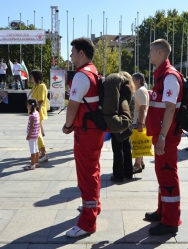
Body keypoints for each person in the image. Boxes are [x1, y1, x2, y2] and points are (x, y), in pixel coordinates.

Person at [62, 38, 105, 238]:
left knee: (86, 174)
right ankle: (94, 206)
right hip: (94, 130)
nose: (70, 56)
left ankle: (88, 222)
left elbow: (73, 106)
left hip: (86, 131)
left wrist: (67, 125)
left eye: (72, 53)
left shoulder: (81, 76)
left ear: (81, 53)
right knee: (93, 170)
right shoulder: (94, 71)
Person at [145, 39, 183, 235]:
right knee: (162, 174)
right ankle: (163, 211)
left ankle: (171, 221)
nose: (149, 55)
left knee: (168, 175)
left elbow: (169, 109)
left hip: (166, 136)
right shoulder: (161, 76)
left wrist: (161, 137)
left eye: (151, 51)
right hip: (162, 135)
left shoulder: (169, 77)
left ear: (160, 53)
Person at [110, 72, 135, 182]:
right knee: (126, 149)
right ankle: (128, 172)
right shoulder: (131, 94)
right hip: (128, 125)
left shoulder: (120, 95)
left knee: (118, 150)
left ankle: (118, 174)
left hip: (119, 124)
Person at [27, 70, 49, 162]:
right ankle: (41, 152)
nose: (31, 79)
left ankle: (43, 153)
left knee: (37, 133)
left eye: (32, 77)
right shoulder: (36, 86)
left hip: (37, 113)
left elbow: (40, 101)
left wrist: (37, 114)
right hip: (33, 113)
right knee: (38, 132)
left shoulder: (41, 86)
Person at [132, 73, 150, 173]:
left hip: (138, 120)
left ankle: (137, 164)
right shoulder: (141, 90)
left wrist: (140, 123)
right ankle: (141, 162)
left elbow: (142, 108)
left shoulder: (140, 91)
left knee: (137, 143)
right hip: (139, 120)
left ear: (138, 80)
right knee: (140, 142)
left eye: (133, 80)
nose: (132, 82)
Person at [24, 99, 40, 171]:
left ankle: (32, 164)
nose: (27, 106)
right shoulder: (37, 113)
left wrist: (28, 135)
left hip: (32, 135)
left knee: (32, 150)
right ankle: (36, 162)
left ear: (30, 106)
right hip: (36, 134)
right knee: (36, 148)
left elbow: (31, 126)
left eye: (27, 105)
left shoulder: (32, 115)